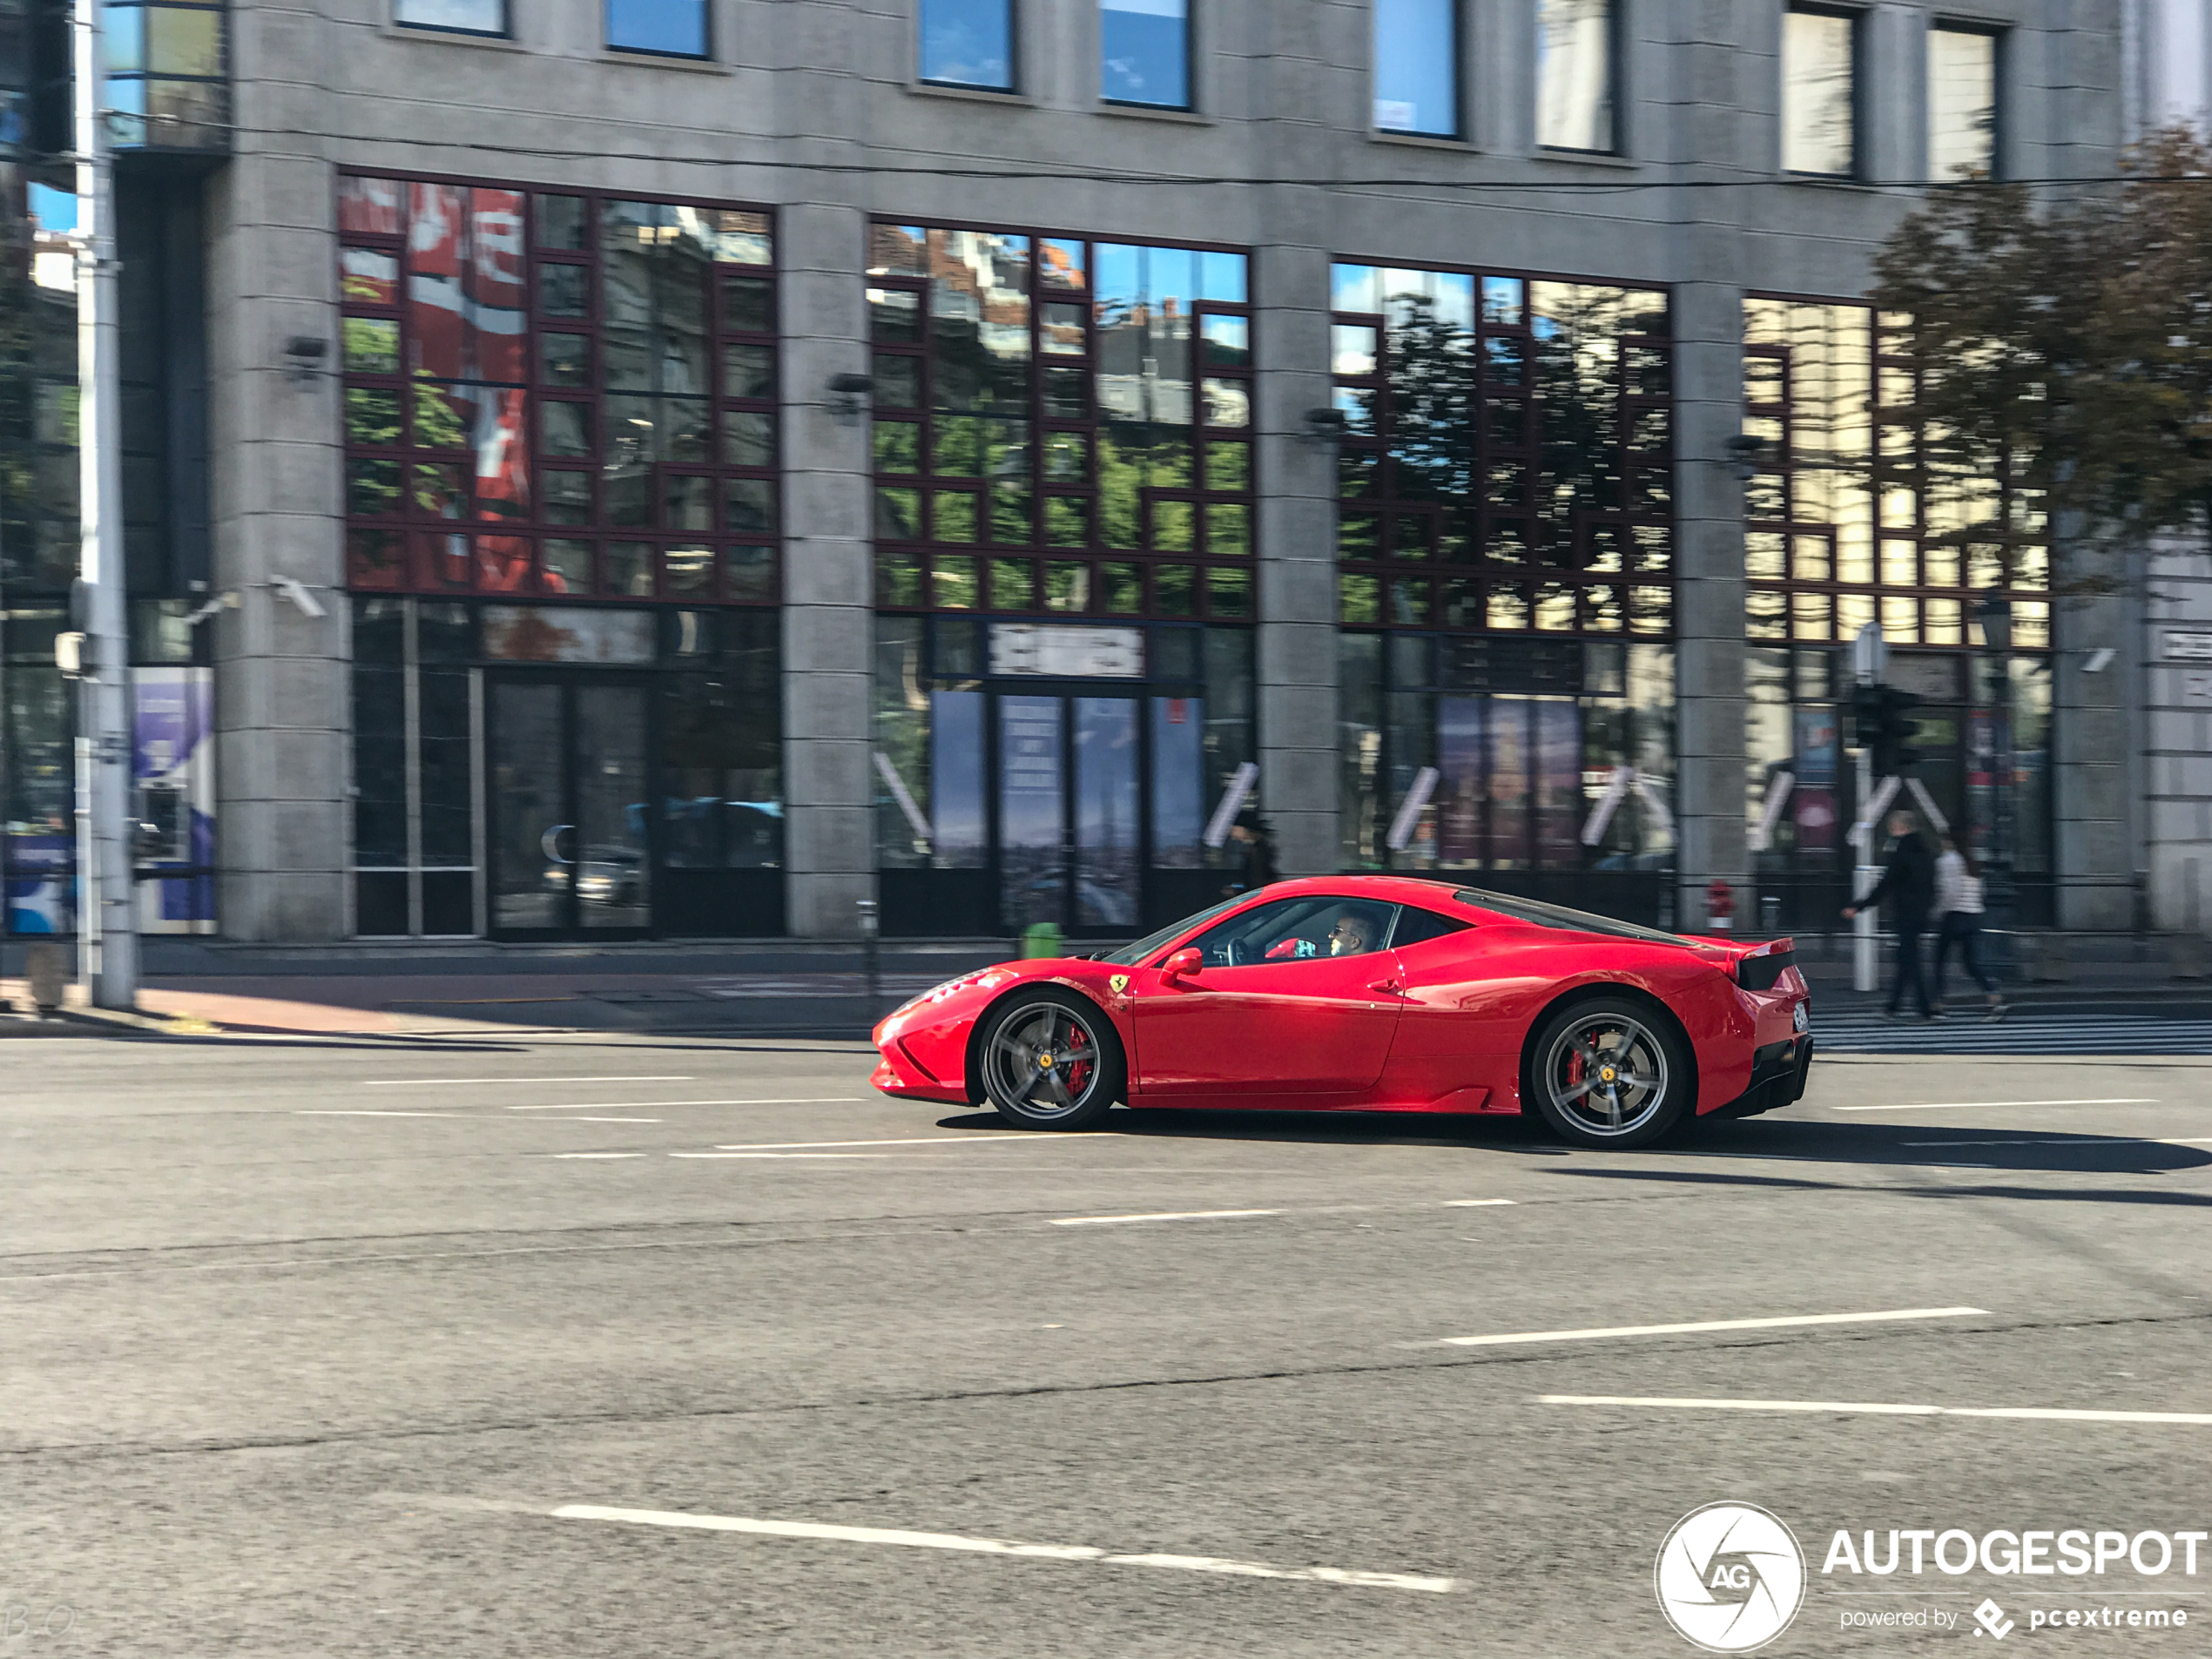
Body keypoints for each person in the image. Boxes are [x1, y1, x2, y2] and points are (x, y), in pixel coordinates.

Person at [1842, 810, 1938, 1021]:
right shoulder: (1926, 852)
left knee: (1908, 959)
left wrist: (1859, 906)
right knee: (1907, 958)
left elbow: (1886, 884)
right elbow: (1932, 886)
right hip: (1921, 912)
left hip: (1905, 911)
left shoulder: (1901, 852)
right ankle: (1899, 1006)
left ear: (1899, 827)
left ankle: (1921, 1006)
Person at [1932, 834, 2005, 1022]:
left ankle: (1937, 1003)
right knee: (1971, 964)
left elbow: (1949, 891)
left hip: (1954, 916)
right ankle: (1993, 996)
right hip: (1973, 917)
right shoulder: (1973, 863)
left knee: (1939, 961)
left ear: (1947, 842)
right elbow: (1983, 892)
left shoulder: (1947, 861)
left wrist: (1938, 911)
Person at [1224, 809, 1279, 898]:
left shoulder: (1257, 852)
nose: (1232, 834)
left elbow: (1257, 881)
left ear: (1244, 829)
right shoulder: (1257, 848)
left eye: (1234, 829)